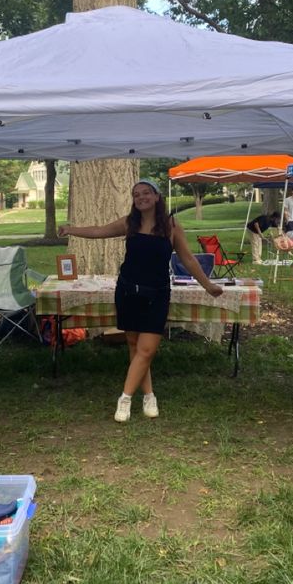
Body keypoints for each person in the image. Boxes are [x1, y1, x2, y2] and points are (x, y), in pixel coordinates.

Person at [58, 179, 224, 423]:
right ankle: (149, 395)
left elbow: (188, 259)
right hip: (127, 291)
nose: (141, 197)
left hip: (157, 294)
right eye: (136, 194)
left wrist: (208, 285)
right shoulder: (130, 223)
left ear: (157, 197)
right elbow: (99, 231)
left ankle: (124, 398)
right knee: (135, 347)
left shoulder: (171, 226)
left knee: (147, 349)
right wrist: (71, 229)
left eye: (146, 193)